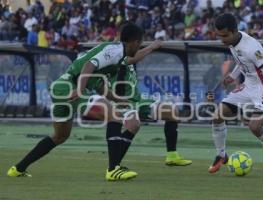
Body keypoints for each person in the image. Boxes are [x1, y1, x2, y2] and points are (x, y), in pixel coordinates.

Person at [7, 23, 160, 181]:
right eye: (139, 43)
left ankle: (18, 168)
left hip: (62, 89)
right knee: (114, 115)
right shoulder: (115, 50)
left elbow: (99, 85)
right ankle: (113, 169)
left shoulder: (117, 56)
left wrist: (117, 98)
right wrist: (80, 89)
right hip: (69, 88)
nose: (139, 46)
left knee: (60, 136)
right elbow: (88, 65)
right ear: (134, 41)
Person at [208, 13, 263, 173]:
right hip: (248, 86)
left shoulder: (252, 47)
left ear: (233, 31)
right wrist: (232, 76)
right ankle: (221, 155)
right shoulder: (233, 41)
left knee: (254, 126)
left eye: (224, 36)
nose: (222, 40)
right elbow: (242, 61)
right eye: (219, 36)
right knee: (217, 117)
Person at [104, 62, 192, 166]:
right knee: (133, 126)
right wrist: (152, 46)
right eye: (137, 44)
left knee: (171, 111)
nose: (138, 46)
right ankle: (114, 166)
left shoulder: (127, 54)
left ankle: (172, 156)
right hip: (120, 101)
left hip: (138, 100)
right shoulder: (119, 55)